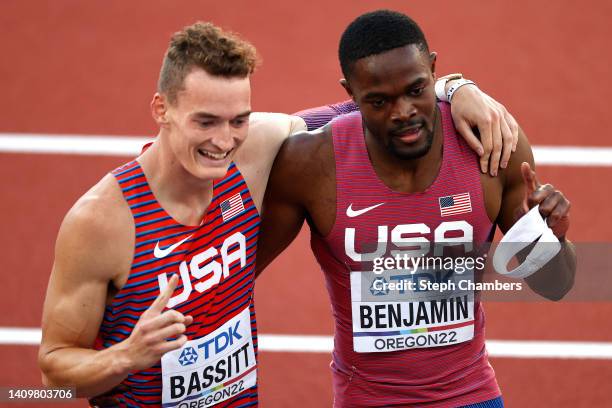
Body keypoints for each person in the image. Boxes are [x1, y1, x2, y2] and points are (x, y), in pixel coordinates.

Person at [38, 21, 519, 408]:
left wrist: (458, 88)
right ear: (161, 109)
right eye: (204, 121)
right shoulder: (101, 222)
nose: (222, 141)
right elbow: (50, 376)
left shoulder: (256, 150)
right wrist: (125, 357)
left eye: (238, 120)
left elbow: (381, 104)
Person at [256, 10, 576, 408]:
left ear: (434, 71)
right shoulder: (312, 165)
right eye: (379, 101)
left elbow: (555, 285)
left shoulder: (491, 148)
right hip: (366, 400)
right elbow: (240, 277)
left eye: (415, 90)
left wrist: (552, 237)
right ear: (350, 93)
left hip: (470, 395)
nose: (402, 111)